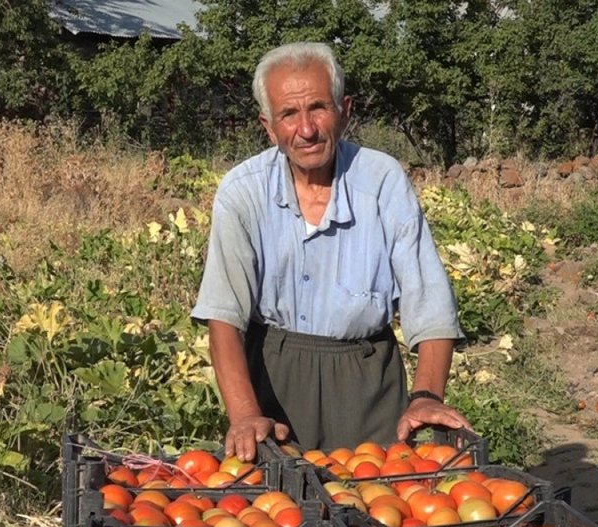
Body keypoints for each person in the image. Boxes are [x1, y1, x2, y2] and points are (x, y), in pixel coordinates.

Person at [191, 42, 471, 461]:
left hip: (368, 380)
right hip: (274, 378)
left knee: (377, 509)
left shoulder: (381, 181)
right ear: (268, 127)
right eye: (289, 114)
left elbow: (429, 303)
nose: (306, 129)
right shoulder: (243, 191)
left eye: (318, 108)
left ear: (345, 110)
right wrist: (246, 414)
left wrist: (426, 395)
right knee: (280, 512)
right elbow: (224, 316)